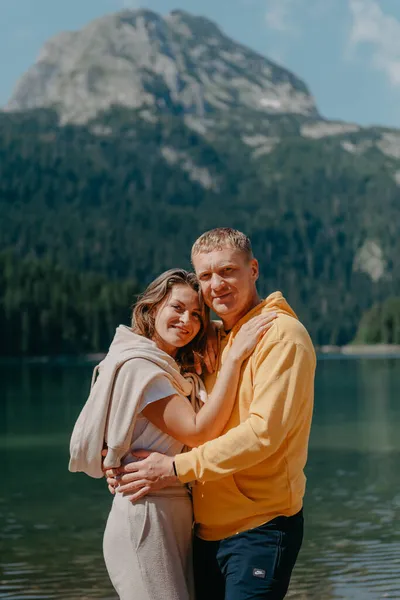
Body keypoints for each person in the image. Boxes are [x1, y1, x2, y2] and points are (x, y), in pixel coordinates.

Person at [107, 228, 316, 600]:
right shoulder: (211, 339)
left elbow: (262, 436)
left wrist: (171, 470)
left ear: (253, 269)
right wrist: (119, 459)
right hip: (204, 532)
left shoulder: (282, 336)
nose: (216, 285)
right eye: (205, 276)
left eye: (227, 271)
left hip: (261, 528)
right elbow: (164, 405)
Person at [69, 268, 276, 600]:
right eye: (176, 308)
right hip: (146, 514)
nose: (187, 320)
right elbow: (197, 432)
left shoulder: (173, 368)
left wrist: (211, 329)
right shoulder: (143, 370)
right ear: (152, 309)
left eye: (196, 314)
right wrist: (235, 358)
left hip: (174, 517)